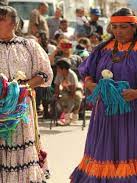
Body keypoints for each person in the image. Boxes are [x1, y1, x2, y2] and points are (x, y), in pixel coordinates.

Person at [70, 7, 137, 183]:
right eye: (115, 27)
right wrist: (91, 85)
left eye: (123, 27)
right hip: (106, 111)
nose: (118, 31)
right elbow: (87, 73)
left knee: (132, 148)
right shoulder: (102, 49)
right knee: (106, 148)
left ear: (134, 27)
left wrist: (136, 93)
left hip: (135, 110)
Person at [0, 6, 53, 182]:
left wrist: (21, 89)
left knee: (19, 142)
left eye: (2, 19)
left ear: (14, 23)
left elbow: (44, 73)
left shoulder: (28, 45)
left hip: (22, 106)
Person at [54, 59, 83, 125]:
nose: (57, 70)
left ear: (63, 69)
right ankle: (66, 116)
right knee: (64, 97)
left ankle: (75, 114)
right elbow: (56, 85)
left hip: (76, 89)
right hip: (65, 90)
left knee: (77, 96)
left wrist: (71, 97)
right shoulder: (59, 74)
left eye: (58, 68)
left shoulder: (72, 75)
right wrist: (57, 94)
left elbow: (73, 88)